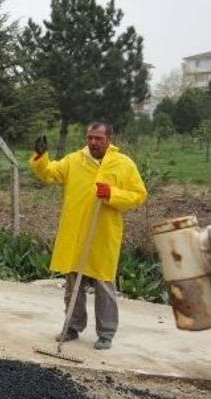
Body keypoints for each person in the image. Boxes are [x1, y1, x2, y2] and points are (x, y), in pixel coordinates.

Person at [30, 123, 147, 350]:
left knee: (104, 284)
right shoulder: (75, 160)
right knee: (73, 283)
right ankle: (72, 326)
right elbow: (49, 173)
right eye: (90, 138)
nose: (93, 142)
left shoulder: (123, 164)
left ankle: (106, 333)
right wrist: (41, 156)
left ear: (109, 139)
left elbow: (138, 195)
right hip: (76, 232)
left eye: (98, 138)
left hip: (103, 234)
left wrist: (112, 193)